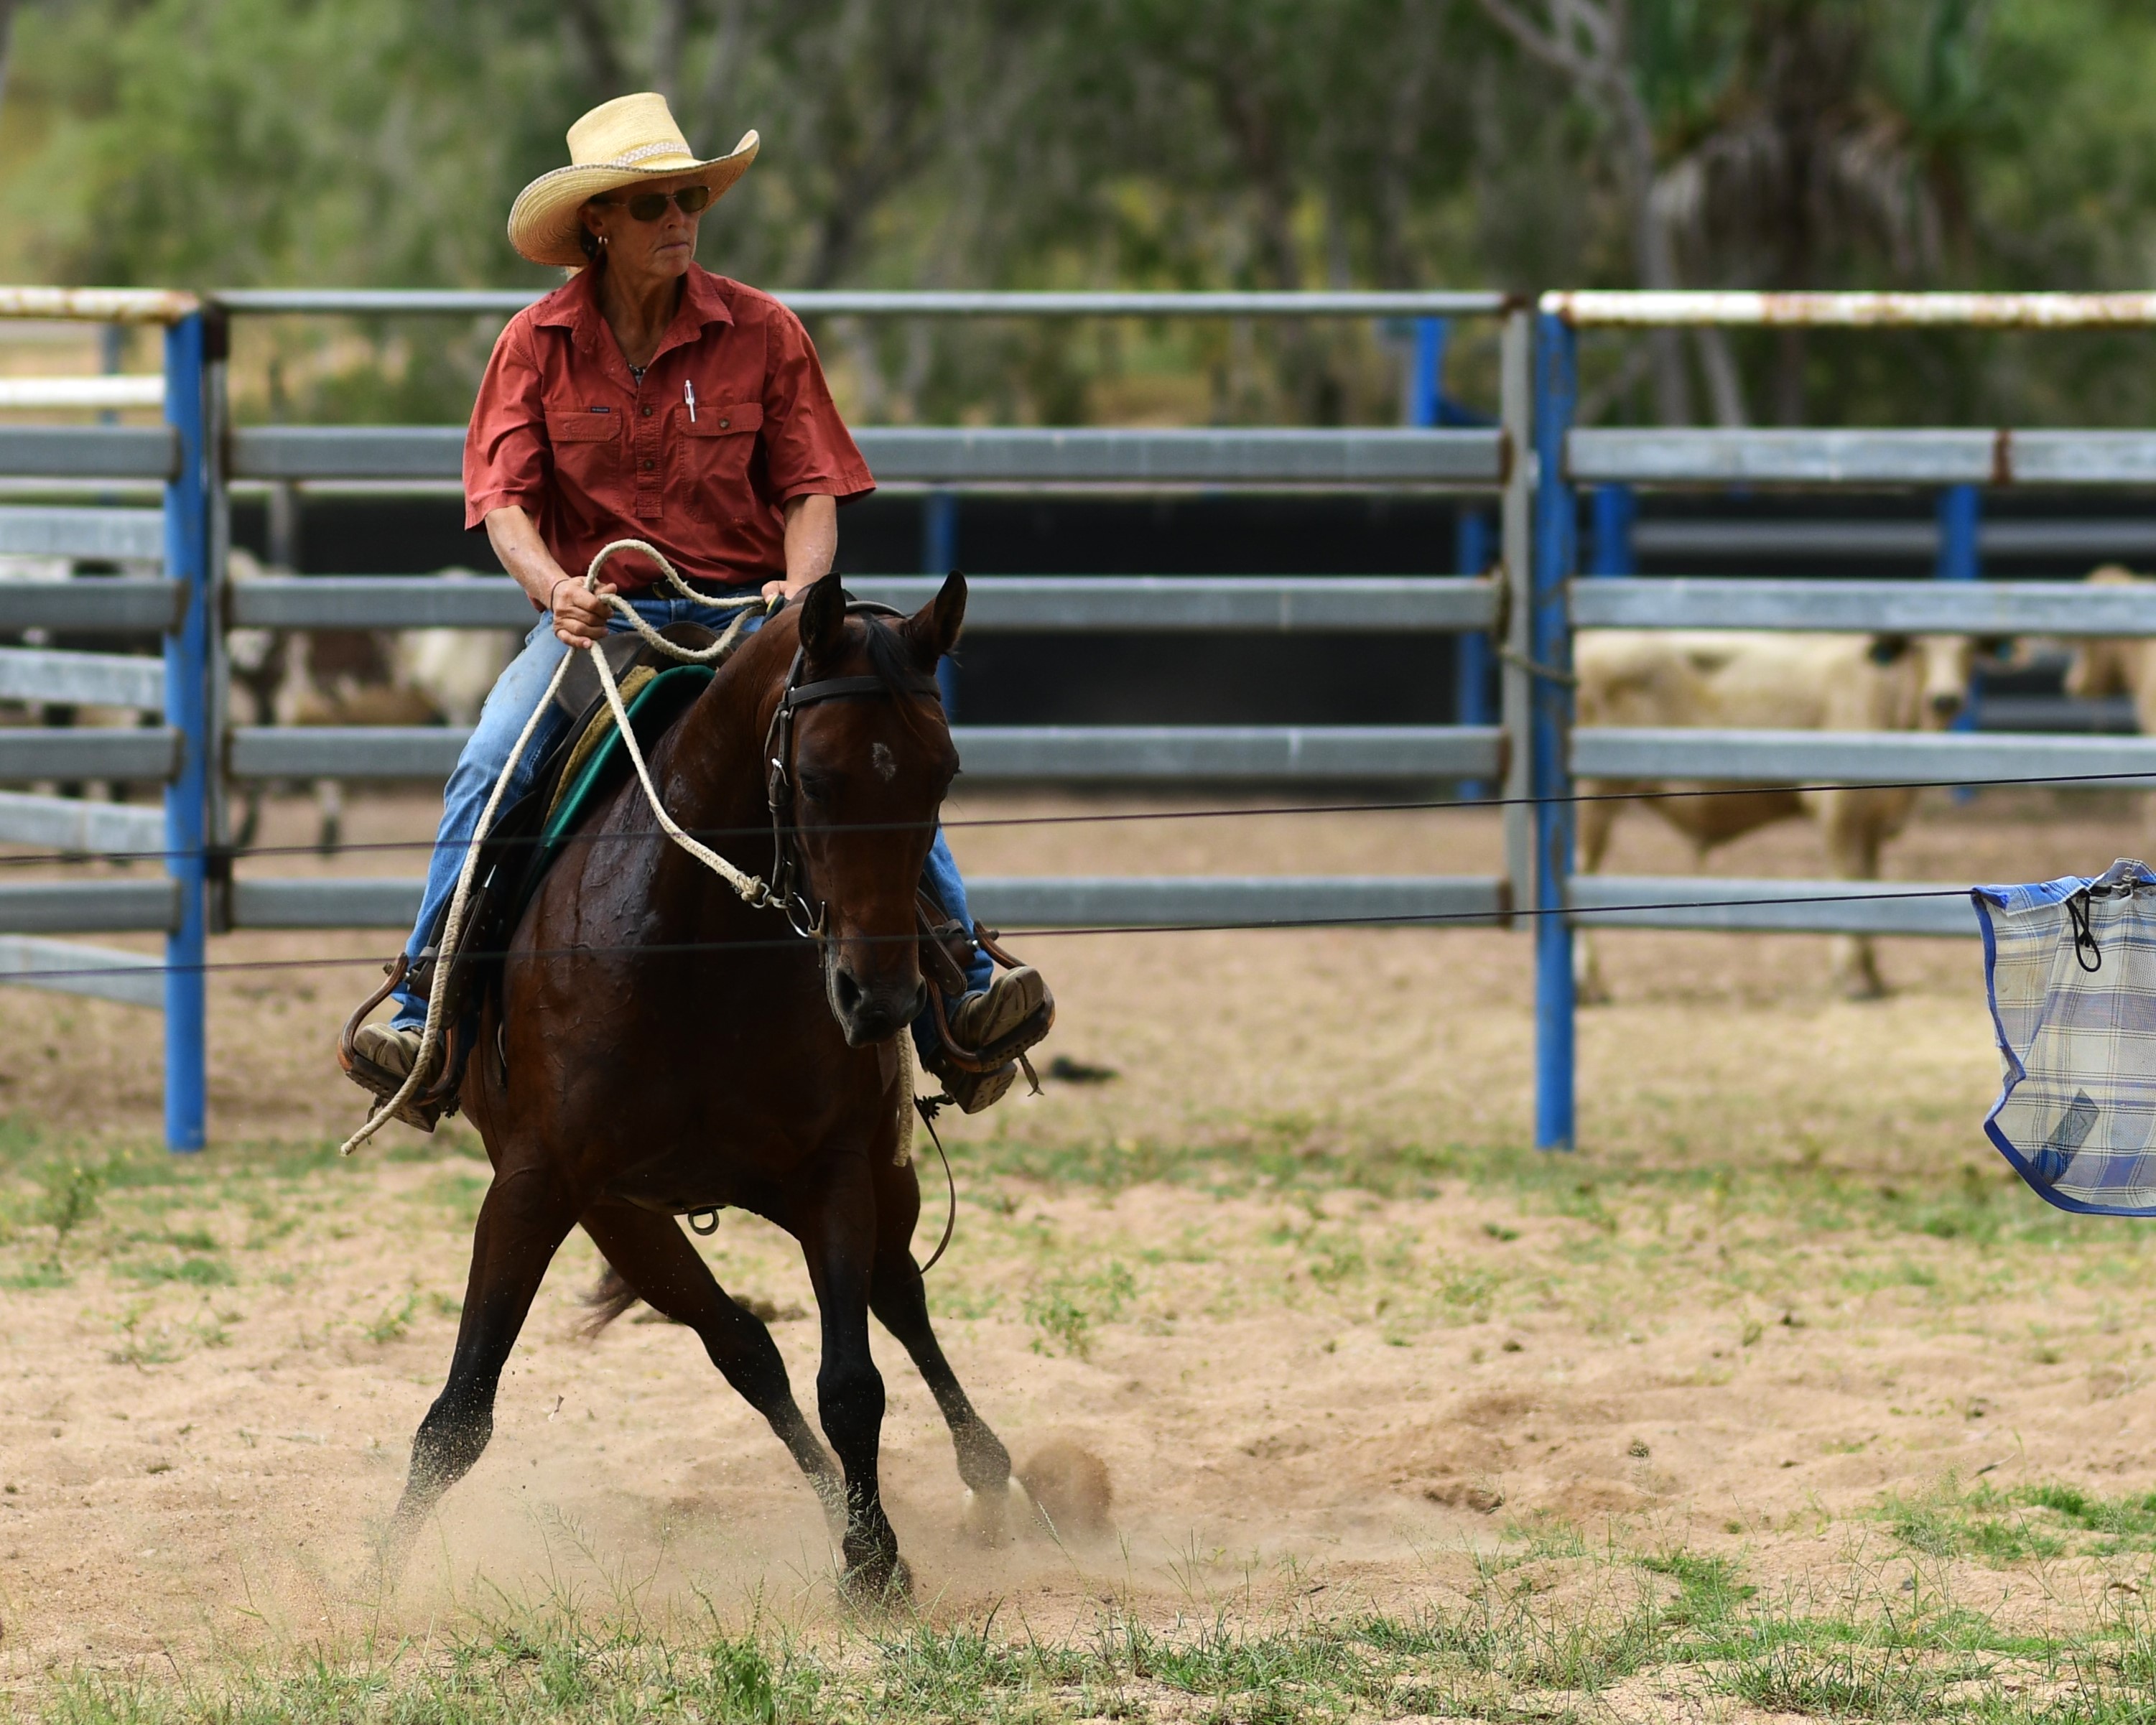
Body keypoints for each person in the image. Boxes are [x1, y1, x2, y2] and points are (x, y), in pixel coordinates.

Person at [348, 92, 1046, 1116]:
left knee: (865, 748)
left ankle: (966, 1000)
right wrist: (556, 591)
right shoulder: (533, 344)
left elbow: (810, 489)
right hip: (602, 625)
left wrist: (802, 591)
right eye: (652, 204)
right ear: (598, 222)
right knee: (492, 760)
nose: (678, 218)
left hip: (746, 618)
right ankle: (423, 1013)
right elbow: (503, 501)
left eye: (690, 199)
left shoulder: (765, 331)